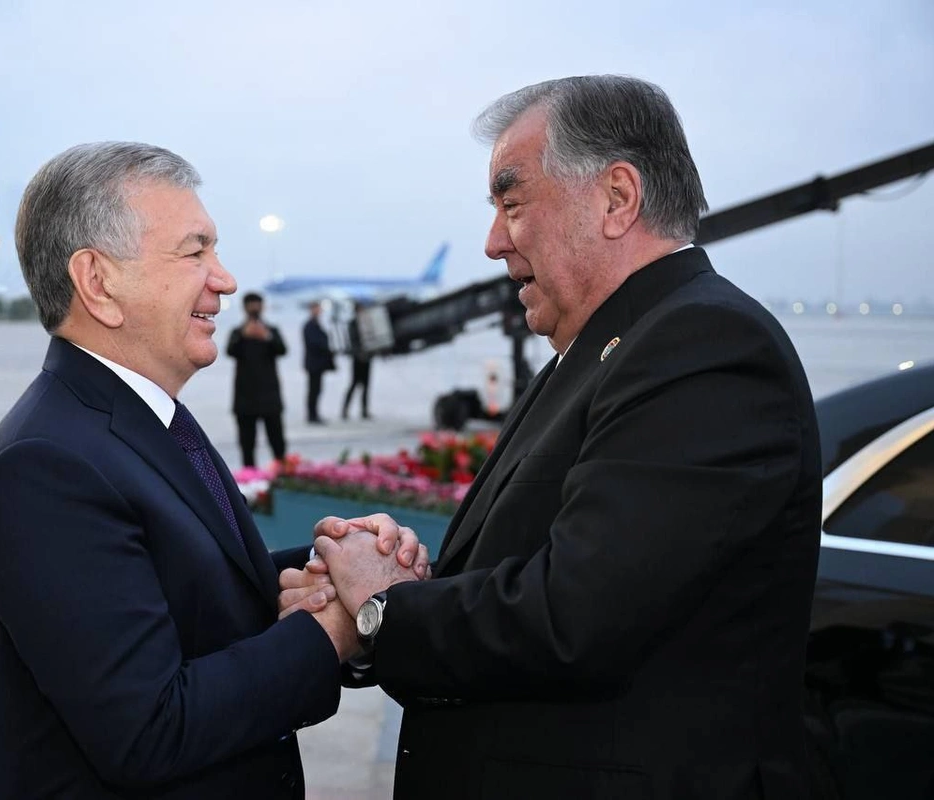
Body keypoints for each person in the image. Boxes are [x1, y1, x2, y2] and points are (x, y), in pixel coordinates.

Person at [286, 76, 823, 798]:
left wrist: (383, 608)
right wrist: (390, 583)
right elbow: (534, 565)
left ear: (616, 198)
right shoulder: (606, 347)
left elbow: (578, 617)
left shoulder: (705, 346)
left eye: (512, 206)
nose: (492, 243)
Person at [0, 142, 425, 799]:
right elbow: (148, 730)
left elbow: (197, 580)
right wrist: (338, 625)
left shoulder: (143, 417)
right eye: (194, 252)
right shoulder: (43, 468)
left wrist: (336, 562)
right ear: (98, 283)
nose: (225, 280)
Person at [226, 291, 287, 467]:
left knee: (277, 440)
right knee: (247, 443)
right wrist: (243, 336)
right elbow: (230, 351)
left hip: (270, 396)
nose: (254, 309)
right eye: (251, 305)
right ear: (244, 308)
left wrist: (266, 337)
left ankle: (283, 473)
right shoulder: (237, 332)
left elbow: (282, 350)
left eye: (257, 305)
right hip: (245, 397)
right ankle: (250, 477)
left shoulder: (271, 331)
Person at [301, 300, 334, 424]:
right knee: (313, 390)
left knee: (316, 389)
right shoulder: (310, 325)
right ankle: (312, 415)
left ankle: (314, 413)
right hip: (313, 363)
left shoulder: (315, 324)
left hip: (317, 363)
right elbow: (314, 343)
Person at [341, 301, 373, 420]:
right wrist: (359, 352)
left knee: (366, 385)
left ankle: (364, 410)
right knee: (354, 384)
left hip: (366, 358)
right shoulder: (353, 324)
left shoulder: (366, 323)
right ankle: (345, 410)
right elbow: (353, 341)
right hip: (358, 359)